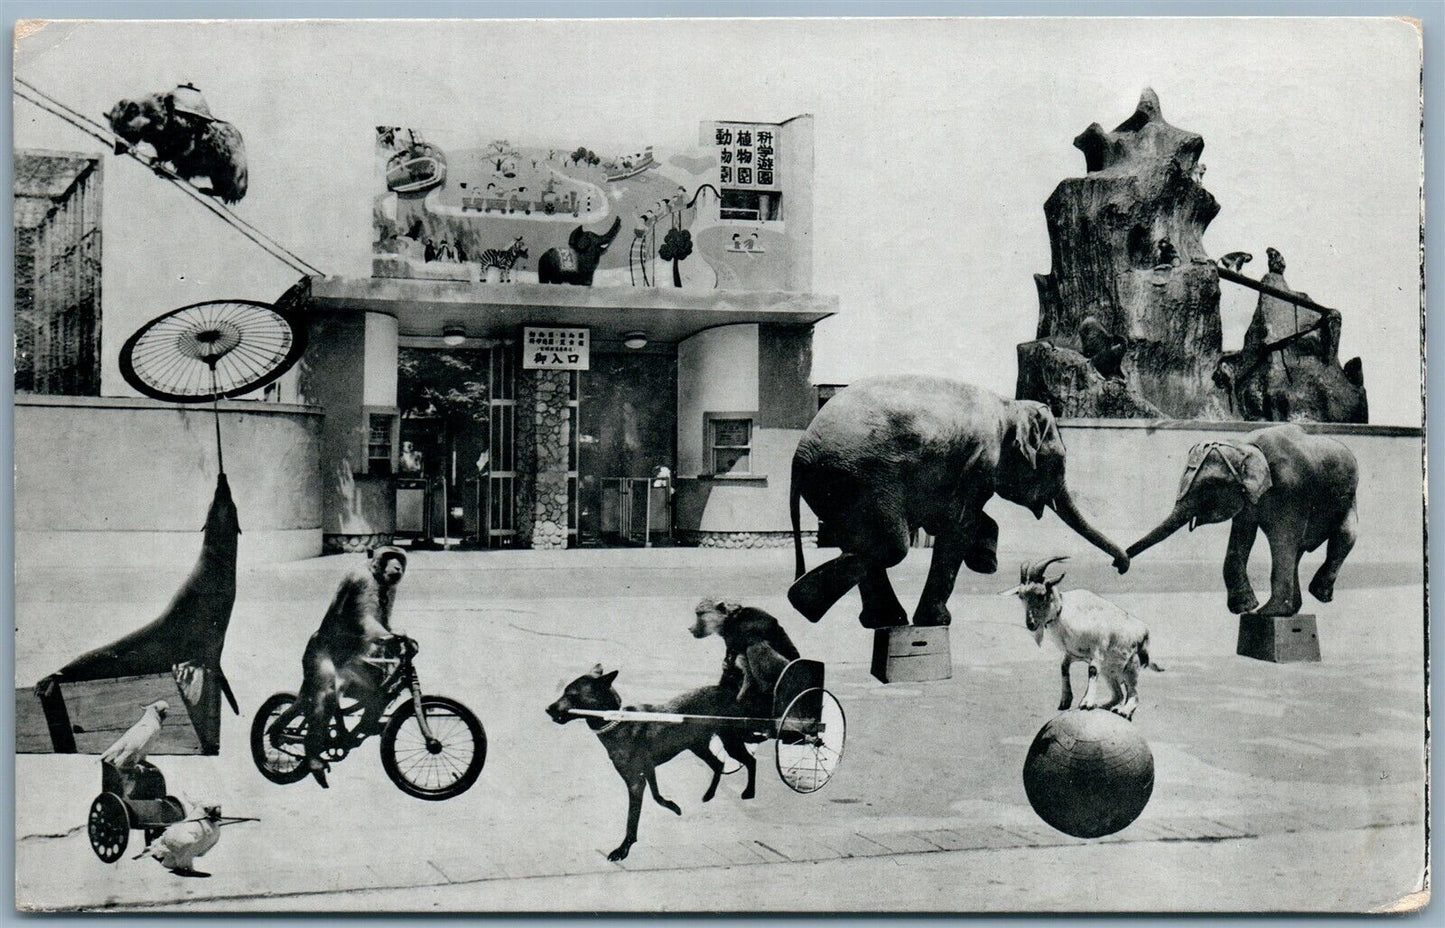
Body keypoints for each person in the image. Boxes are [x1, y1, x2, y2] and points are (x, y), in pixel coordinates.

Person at [280, 548, 408, 787]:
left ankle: (361, 730)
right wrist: (388, 636)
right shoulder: (360, 577)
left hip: (353, 655)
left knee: (380, 692)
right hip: (326, 649)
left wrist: (393, 642)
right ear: (378, 564)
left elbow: (383, 623)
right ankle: (313, 754)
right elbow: (364, 620)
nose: (398, 568)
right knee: (328, 692)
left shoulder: (388, 587)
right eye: (393, 562)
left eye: (402, 564)